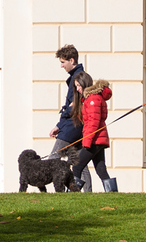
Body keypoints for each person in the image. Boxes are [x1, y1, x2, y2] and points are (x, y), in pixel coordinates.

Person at [47, 44, 92, 191]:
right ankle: (88, 192)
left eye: (63, 62)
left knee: (53, 159)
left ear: (72, 60)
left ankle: (46, 188)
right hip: (78, 126)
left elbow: (73, 106)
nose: (61, 65)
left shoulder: (77, 78)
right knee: (80, 163)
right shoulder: (78, 75)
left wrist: (59, 125)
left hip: (71, 126)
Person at [74, 74, 118, 192]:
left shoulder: (93, 99)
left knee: (77, 166)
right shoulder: (92, 98)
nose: (77, 89)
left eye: (78, 85)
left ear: (84, 83)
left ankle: (72, 194)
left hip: (94, 140)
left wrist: (87, 142)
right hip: (98, 139)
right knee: (101, 169)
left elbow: (93, 122)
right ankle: (112, 193)